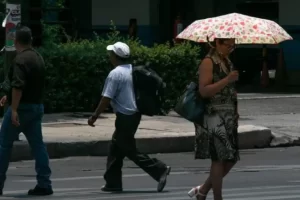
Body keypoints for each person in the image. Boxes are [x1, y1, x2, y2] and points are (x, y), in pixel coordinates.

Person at [88, 42, 171, 192]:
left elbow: (106, 98)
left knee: (129, 149)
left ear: (115, 56)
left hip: (125, 116)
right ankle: (113, 183)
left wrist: (95, 115)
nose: (109, 56)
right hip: (133, 115)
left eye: (111, 54)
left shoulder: (115, 74)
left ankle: (160, 169)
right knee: (115, 147)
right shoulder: (131, 70)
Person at [0, 26, 53, 196]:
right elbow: (30, 84)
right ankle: (45, 183)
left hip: (21, 108)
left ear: (16, 41)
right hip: (36, 108)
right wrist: (8, 97)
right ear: (30, 41)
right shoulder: (38, 58)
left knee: (4, 145)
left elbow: (18, 86)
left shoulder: (20, 60)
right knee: (38, 146)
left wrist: (13, 108)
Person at [188, 38, 239, 200]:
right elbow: (204, 91)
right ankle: (218, 198)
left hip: (229, 117)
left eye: (233, 46)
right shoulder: (208, 62)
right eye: (227, 45)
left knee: (231, 159)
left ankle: (202, 191)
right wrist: (227, 80)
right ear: (217, 43)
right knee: (218, 159)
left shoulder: (226, 61)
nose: (230, 49)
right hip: (213, 116)